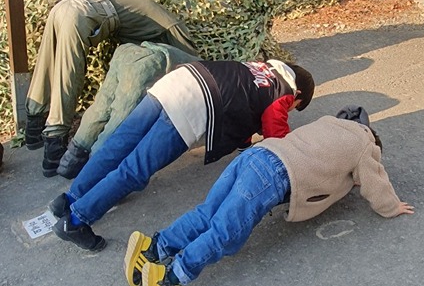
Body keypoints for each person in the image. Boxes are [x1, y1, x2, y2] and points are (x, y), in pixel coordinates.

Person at [121, 106, 414, 286]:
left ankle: (152, 249)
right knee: (225, 234)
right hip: (273, 175)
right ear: (373, 140)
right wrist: (392, 207)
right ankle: (167, 280)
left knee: (206, 213)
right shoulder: (365, 145)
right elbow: (376, 184)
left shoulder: (330, 123)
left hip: (257, 154)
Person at [50, 59, 315, 250]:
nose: (290, 109)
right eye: (296, 107)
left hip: (176, 81)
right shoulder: (284, 92)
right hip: (190, 108)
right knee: (135, 170)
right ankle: (76, 220)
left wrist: (244, 145)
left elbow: (241, 105)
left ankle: (71, 197)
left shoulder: (261, 68)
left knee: (116, 146)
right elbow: (277, 137)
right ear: (298, 93)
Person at [24, 0, 198, 176]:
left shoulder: (142, 20)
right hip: (82, 13)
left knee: (46, 63)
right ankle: (54, 144)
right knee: (68, 72)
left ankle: (33, 129)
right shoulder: (173, 28)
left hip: (68, 6)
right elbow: (189, 63)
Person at [57, 41, 199, 179]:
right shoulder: (204, 74)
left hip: (127, 51)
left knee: (102, 106)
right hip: (149, 62)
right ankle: (97, 169)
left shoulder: (200, 64)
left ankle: (69, 162)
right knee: (121, 116)